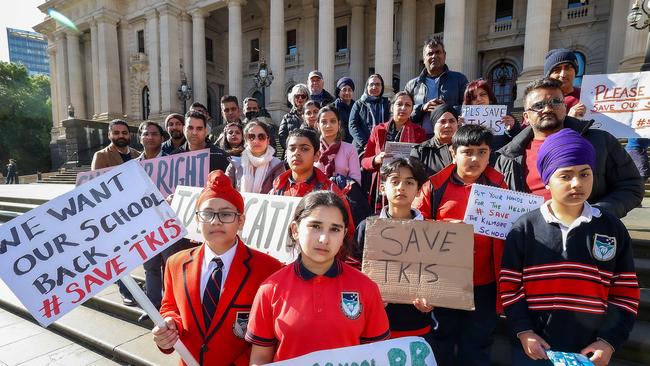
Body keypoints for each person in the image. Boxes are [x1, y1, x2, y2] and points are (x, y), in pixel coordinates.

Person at [500, 128, 640, 366]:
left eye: (585, 174)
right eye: (565, 176)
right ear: (547, 179)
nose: (577, 183)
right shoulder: (525, 227)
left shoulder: (611, 227)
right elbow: (510, 286)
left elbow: (625, 292)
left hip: (589, 350)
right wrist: (524, 331)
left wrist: (608, 341)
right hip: (534, 349)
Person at [153, 170, 283, 366]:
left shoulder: (268, 269)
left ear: (241, 221)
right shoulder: (175, 263)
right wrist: (170, 326)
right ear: (197, 219)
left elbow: (272, 334)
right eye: (207, 214)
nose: (215, 221)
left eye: (226, 214)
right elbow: (170, 307)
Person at [246, 191, 390, 364]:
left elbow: (378, 355)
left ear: (344, 235)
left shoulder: (366, 287)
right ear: (295, 230)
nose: (324, 239)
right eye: (315, 226)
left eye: (335, 229)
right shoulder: (270, 289)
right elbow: (260, 357)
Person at [414, 125, 507, 366]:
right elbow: (414, 231)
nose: (475, 158)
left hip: (484, 284)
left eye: (482, 151)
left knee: (477, 344)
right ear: (453, 153)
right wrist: (443, 228)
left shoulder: (500, 188)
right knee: (440, 341)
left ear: (490, 154)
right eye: (468, 152)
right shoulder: (433, 187)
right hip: (443, 283)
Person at [493, 78, 644, 218]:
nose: (547, 109)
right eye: (538, 106)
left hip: (586, 238)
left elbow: (632, 186)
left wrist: (597, 214)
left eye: (555, 102)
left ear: (565, 108)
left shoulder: (601, 141)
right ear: (526, 116)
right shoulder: (508, 156)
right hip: (533, 240)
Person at [355, 157, 434, 344]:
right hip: (372, 323)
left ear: (418, 190)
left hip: (416, 324)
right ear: (382, 187)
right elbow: (352, 268)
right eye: (395, 181)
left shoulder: (432, 232)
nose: (401, 187)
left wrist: (432, 300)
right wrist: (368, 295)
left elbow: (438, 275)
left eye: (409, 182)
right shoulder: (367, 227)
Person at [91, 119, 141, 306]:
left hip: (136, 212)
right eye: (117, 132)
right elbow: (95, 185)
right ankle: (125, 290)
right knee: (120, 254)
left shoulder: (137, 154)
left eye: (124, 132)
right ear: (110, 135)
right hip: (113, 214)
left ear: (129, 135)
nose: (121, 136)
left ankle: (132, 287)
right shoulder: (101, 156)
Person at [361, 91, 426, 212]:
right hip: (382, 183)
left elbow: (421, 161)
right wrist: (376, 159)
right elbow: (364, 161)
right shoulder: (378, 130)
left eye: (407, 105)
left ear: (412, 109)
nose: (403, 108)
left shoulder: (419, 132)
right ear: (392, 107)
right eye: (399, 104)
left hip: (406, 183)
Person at [405, 38, 468, 137]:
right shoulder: (411, 85)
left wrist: (446, 108)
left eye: (438, 52)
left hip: (449, 137)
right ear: (424, 58)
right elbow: (404, 113)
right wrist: (422, 108)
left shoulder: (459, 80)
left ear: (444, 55)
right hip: (419, 138)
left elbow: (468, 109)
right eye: (430, 54)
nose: (434, 56)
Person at [135, 121, 167, 309]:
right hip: (146, 225)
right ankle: (153, 307)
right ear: (140, 138)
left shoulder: (175, 161)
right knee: (150, 267)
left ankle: (173, 308)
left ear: (162, 138)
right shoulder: (132, 167)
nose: (150, 137)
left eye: (154, 134)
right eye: (146, 133)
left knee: (171, 266)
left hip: (168, 222)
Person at [226, 120, 285, 194]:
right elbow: (225, 190)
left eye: (261, 137)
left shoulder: (277, 165)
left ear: (268, 140)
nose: (256, 141)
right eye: (251, 137)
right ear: (245, 141)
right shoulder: (235, 163)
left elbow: (280, 193)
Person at [462, 79, 521, 151]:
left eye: (482, 94)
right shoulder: (464, 119)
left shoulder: (504, 116)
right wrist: (460, 130)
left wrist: (513, 128)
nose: (479, 99)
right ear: (469, 103)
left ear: (489, 97)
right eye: (473, 97)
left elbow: (519, 141)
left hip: (498, 159)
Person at [315, 105, 361, 184]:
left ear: (339, 124)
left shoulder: (350, 149)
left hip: (343, 194)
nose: (328, 125)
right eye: (324, 122)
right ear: (318, 125)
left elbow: (356, 179)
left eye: (333, 121)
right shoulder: (312, 148)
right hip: (315, 195)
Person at [410, 104, 459, 177]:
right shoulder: (420, 151)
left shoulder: (465, 148)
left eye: (452, 121)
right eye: (442, 121)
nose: (447, 125)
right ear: (433, 125)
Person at [349, 74, 391, 154]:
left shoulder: (387, 104)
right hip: (362, 148)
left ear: (382, 87)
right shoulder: (359, 104)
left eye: (378, 84)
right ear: (367, 87)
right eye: (371, 84)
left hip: (383, 148)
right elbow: (352, 125)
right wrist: (365, 143)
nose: (374, 87)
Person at [544, 48, 585, 119]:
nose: (563, 74)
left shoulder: (587, 96)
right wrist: (570, 120)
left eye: (567, 68)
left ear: (575, 72)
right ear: (549, 76)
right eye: (557, 70)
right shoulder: (540, 99)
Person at [279, 84, 310, 152]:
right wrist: (292, 149)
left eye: (303, 96)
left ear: (307, 98)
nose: (300, 98)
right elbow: (282, 137)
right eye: (297, 96)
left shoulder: (311, 115)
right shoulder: (287, 117)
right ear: (293, 98)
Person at [331, 77, 355, 143]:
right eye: (344, 90)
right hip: (338, 143)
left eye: (350, 90)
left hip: (355, 144)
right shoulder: (332, 108)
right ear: (339, 93)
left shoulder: (357, 107)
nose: (347, 92)